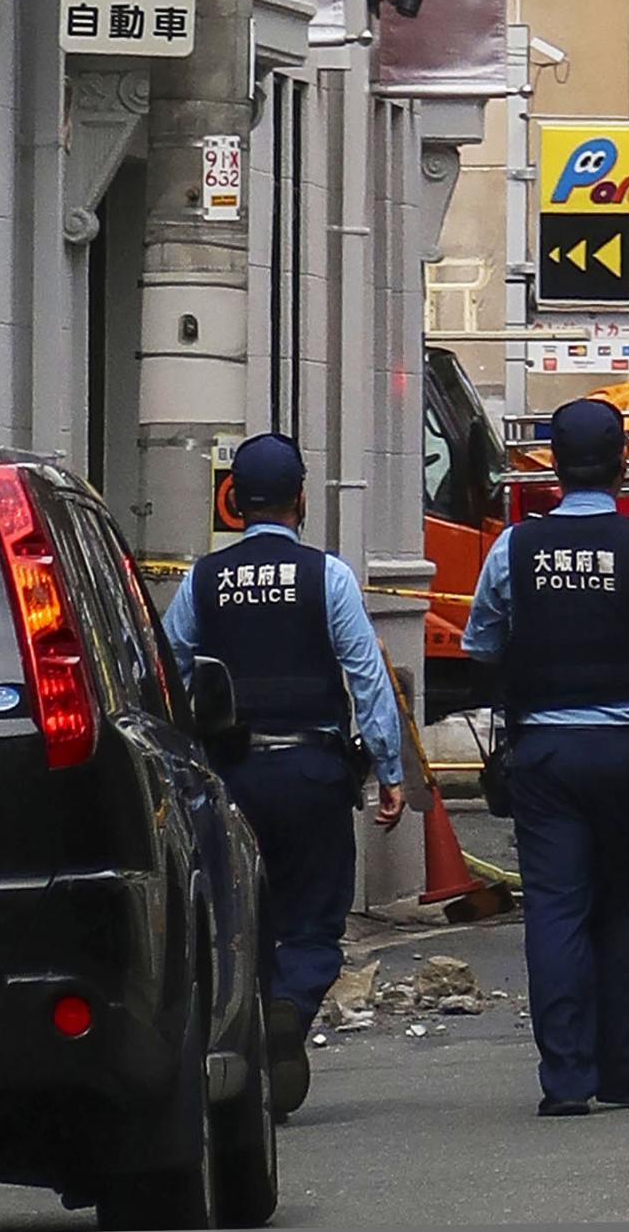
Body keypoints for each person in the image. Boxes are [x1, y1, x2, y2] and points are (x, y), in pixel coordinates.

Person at [460, 395, 629, 1116]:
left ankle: (566, 1079)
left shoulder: (511, 548)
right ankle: (625, 1069)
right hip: (627, 751)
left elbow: (480, 646)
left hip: (543, 752)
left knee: (554, 908)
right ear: (623, 464)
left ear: (551, 465)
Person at [161, 430, 405, 1118]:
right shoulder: (327, 577)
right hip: (311, 771)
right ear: (302, 499)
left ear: (233, 500)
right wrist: (390, 770)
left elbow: (169, 672)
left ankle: (248, 1041)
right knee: (313, 912)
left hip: (229, 776)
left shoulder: (201, 580)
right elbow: (367, 676)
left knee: (239, 917)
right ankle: (290, 1009)